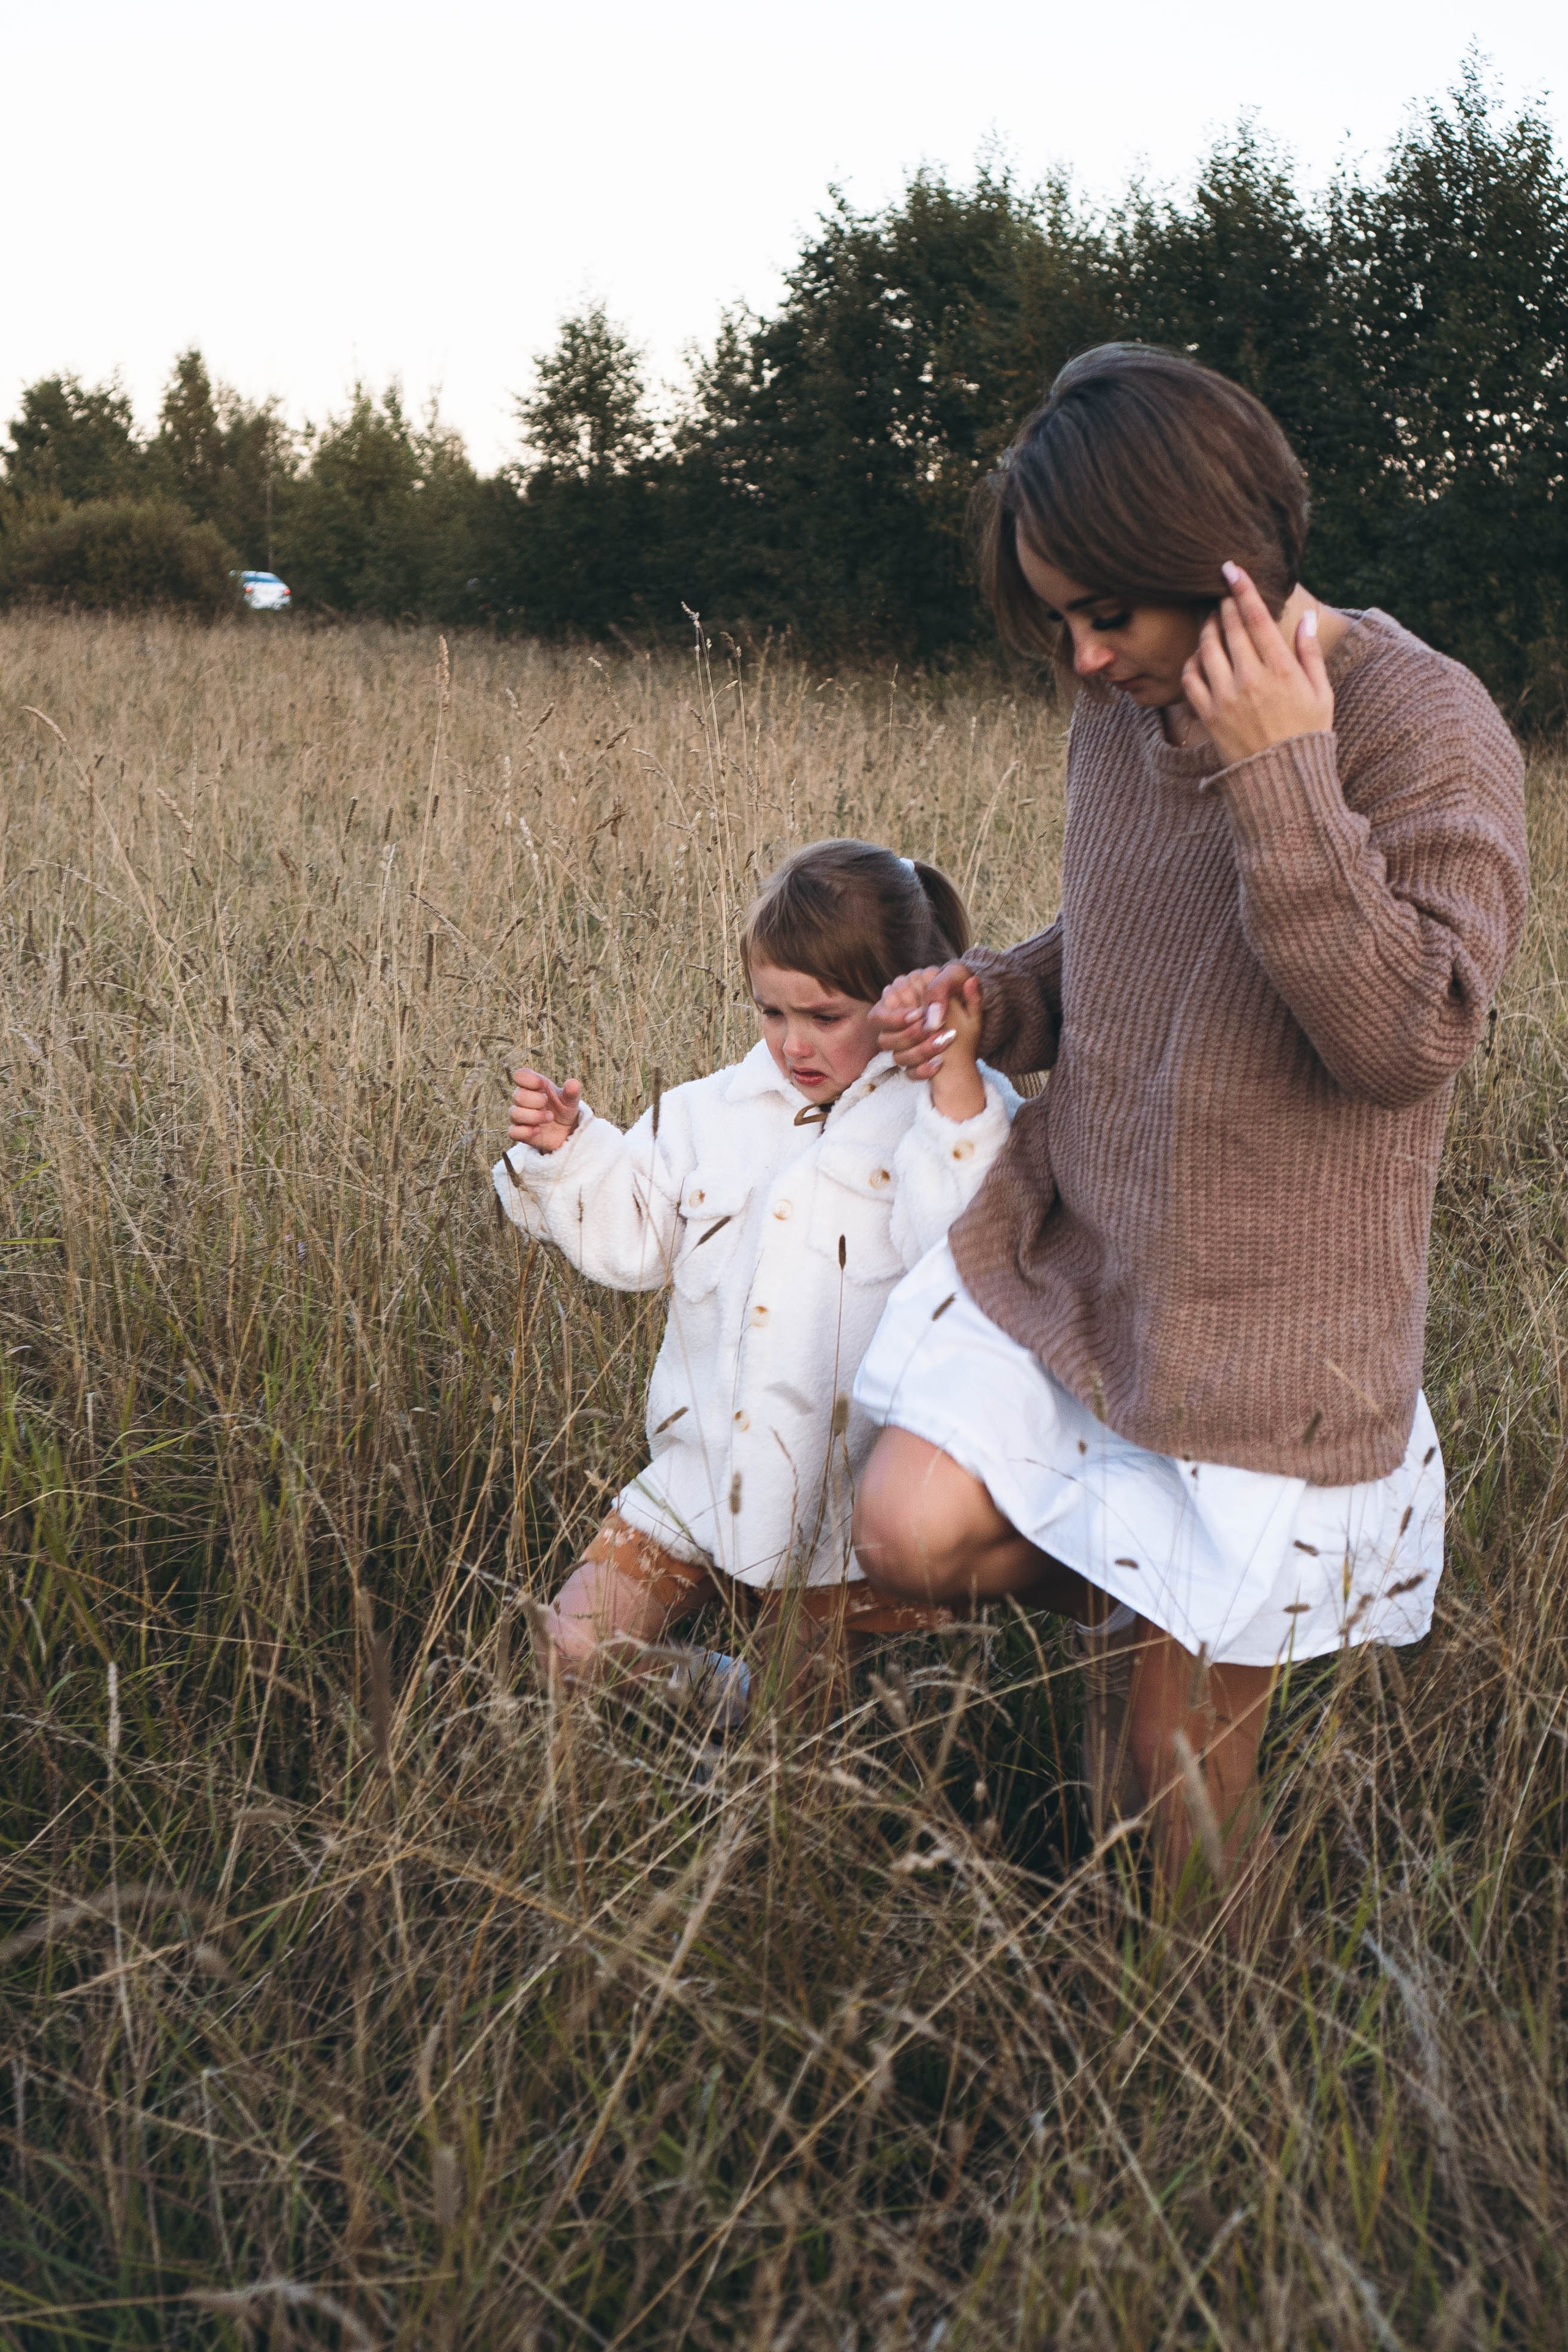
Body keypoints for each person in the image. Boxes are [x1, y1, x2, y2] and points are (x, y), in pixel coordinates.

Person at [851, 343, 1528, 1900]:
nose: (1084, 660)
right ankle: (1133, 1594)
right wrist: (993, 997)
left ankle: (1221, 2078)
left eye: (1108, 613)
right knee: (904, 1528)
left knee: (1167, 1789)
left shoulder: (1420, 727)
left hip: (1270, 1340)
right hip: (1088, 1266)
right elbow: (1132, 944)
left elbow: (1402, 1036)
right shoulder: (1116, 714)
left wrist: (1279, 769)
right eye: (1058, 620)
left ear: (1220, 563)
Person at [494, 839, 1020, 1705]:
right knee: (569, 1652)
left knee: (799, 1753)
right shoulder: (713, 1112)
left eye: (825, 1016)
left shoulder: (941, 1120)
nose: (792, 1044)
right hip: (697, 1476)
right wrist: (570, 1150)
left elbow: (963, 1244)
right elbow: (631, 1243)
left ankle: (817, 1710)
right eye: (772, 1014)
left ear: (902, 1002)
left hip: (835, 1516)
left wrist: (954, 1085)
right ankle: (715, 1692)